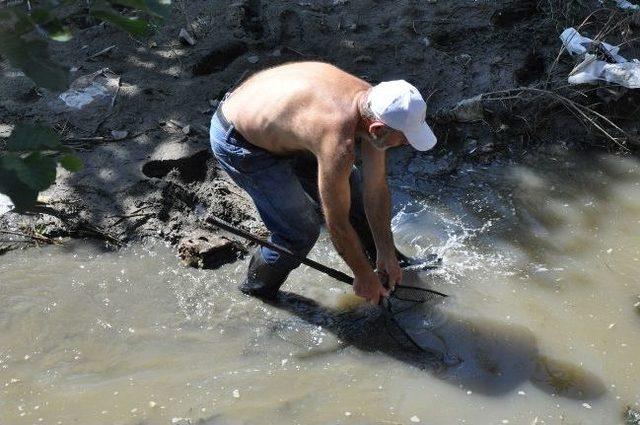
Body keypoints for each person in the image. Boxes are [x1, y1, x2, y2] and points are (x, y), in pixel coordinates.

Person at [209, 62, 437, 305]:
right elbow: (336, 223)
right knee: (298, 232)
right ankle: (256, 291)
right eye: (403, 139)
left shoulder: (377, 104)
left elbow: (376, 189)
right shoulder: (338, 141)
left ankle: (388, 269)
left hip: (284, 125)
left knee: (356, 201)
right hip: (241, 141)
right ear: (377, 129)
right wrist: (361, 277)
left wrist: (387, 250)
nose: (406, 144)